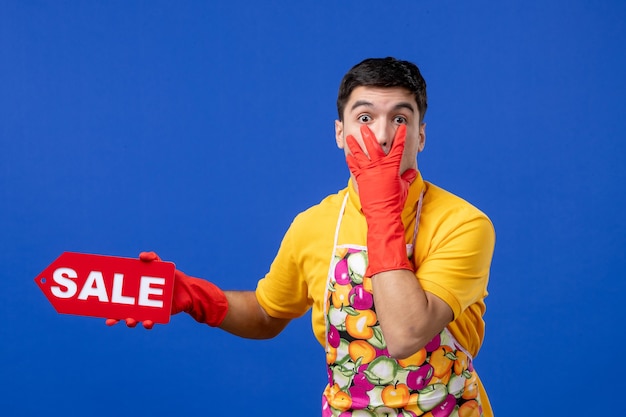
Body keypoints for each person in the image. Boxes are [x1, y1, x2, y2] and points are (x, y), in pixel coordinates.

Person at [107, 57, 496, 417]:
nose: (381, 135)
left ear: (420, 135)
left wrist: (381, 207)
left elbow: (407, 333)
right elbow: (266, 313)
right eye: (365, 117)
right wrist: (195, 298)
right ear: (340, 134)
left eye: (399, 119)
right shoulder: (313, 223)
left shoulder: (462, 224)